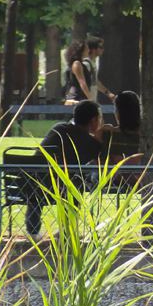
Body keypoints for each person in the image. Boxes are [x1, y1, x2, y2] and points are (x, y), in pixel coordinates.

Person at [25, 101, 104, 239]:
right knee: (76, 181)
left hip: (31, 185)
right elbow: (99, 158)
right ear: (93, 120)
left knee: (57, 180)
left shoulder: (59, 128)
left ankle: (32, 231)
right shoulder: (90, 143)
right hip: (61, 189)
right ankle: (66, 230)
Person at [98, 90, 142, 164]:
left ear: (118, 111)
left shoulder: (108, 133)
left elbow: (101, 160)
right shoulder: (146, 136)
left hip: (112, 174)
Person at [84, 36, 116, 103]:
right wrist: (90, 100)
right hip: (85, 102)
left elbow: (95, 82)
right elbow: (82, 84)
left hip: (91, 102)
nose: (103, 49)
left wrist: (108, 93)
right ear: (93, 49)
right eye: (101, 47)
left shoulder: (92, 63)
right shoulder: (86, 64)